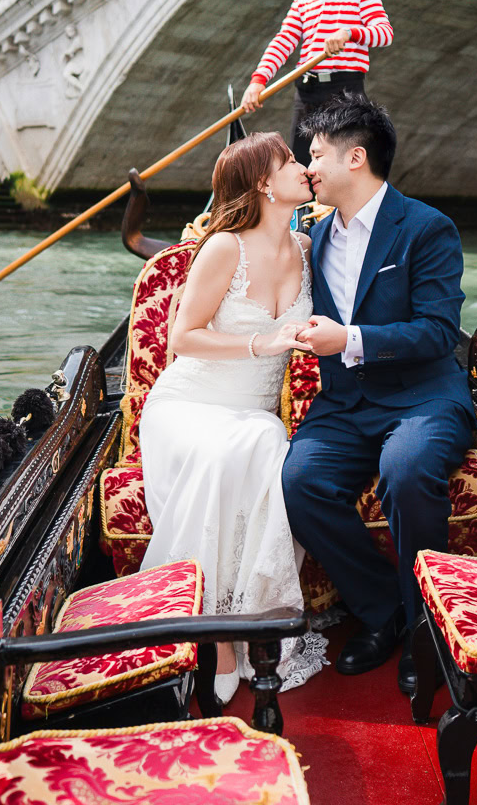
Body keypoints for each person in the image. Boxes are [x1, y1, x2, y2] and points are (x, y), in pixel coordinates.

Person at [282, 95, 470, 699]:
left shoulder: (426, 228)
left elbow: (440, 331)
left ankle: (425, 629)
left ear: (355, 158)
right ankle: (383, 610)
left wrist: (351, 338)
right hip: (344, 404)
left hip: (422, 398)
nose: (308, 167)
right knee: (300, 480)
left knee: (407, 466)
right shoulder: (312, 234)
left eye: (315, 155)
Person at [136, 131, 329, 704]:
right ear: (265, 184)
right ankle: (220, 634)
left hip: (249, 413)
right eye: (290, 161)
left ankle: (251, 620)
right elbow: (181, 338)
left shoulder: (307, 249)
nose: (302, 167)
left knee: (265, 441)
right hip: (188, 406)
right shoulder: (224, 247)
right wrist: (262, 344)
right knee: (246, 447)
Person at [240, 0, 394, 165]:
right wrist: (258, 81)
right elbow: (283, 41)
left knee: (344, 159)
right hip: (307, 90)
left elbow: (384, 34)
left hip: (345, 90)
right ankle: (308, 203)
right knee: (302, 160)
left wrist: (348, 33)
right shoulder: (303, 1)